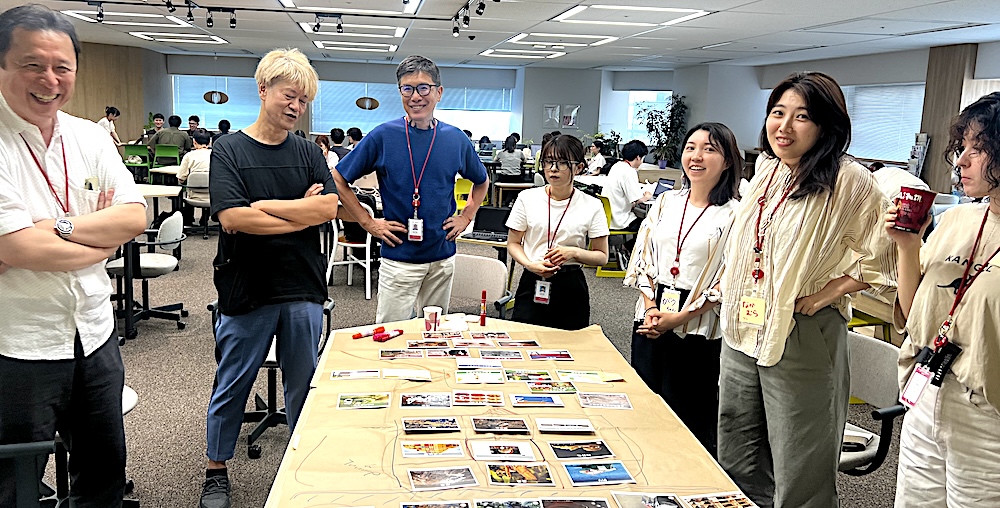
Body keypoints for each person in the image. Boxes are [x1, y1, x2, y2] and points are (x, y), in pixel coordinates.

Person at [715, 71, 897, 508]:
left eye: (801, 116)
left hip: (801, 332)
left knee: (802, 466)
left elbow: (885, 258)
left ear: (826, 125)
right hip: (743, 329)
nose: (784, 126)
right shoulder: (767, 170)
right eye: (778, 113)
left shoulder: (849, 181)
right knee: (738, 456)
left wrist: (822, 296)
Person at [0, 5, 148, 506]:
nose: (49, 79)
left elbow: (133, 217)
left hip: (95, 333)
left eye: (62, 67)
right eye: (31, 64)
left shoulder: (88, 136)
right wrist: (95, 242)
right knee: (15, 483)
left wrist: (54, 228)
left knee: (103, 472)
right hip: (17, 344)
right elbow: (15, 245)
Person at [201, 47, 339, 508]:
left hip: (302, 284)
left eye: (303, 101)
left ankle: (300, 465)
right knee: (233, 380)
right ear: (263, 90)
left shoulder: (307, 151)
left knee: (305, 382)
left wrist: (267, 207)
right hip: (247, 286)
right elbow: (234, 220)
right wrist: (298, 214)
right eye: (289, 96)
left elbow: (327, 208)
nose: (296, 107)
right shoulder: (230, 149)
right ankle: (216, 469)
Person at [888, 91, 1000, 507]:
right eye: (962, 147)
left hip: (987, 410)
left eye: (980, 148)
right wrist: (906, 246)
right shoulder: (957, 219)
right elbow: (915, 309)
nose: (962, 160)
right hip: (929, 389)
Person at [334, 55, 488, 324]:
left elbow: (481, 181)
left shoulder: (455, 139)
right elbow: (338, 179)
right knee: (391, 336)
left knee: (434, 335)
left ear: (438, 92)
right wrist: (368, 222)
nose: (415, 96)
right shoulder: (383, 135)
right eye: (407, 88)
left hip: (442, 256)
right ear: (400, 93)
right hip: (399, 258)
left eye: (423, 87)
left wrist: (466, 216)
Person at [623, 122, 742, 457]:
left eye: (709, 149)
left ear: (728, 160)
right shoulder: (665, 202)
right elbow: (644, 255)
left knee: (689, 413)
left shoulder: (736, 214)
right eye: (691, 147)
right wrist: (649, 307)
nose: (697, 156)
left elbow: (729, 276)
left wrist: (681, 317)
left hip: (698, 321)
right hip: (651, 314)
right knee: (646, 405)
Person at [506, 135, 609, 330]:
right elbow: (513, 243)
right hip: (533, 279)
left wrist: (573, 252)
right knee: (524, 338)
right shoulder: (527, 198)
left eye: (562, 163)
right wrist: (530, 264)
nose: (553, 169)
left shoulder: (592, 205)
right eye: (549, 162)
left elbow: (602, 256)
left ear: (578, 168)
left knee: (570, 346)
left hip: (570, 283)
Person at [177, 128, 212, 226]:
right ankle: (204, 219)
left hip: (193, 196)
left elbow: (180, 178)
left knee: (188, 188)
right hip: (213, 196)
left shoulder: (189, 156)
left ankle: (188, 221)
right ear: (209, 142)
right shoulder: (216, 155)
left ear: (194, 142)